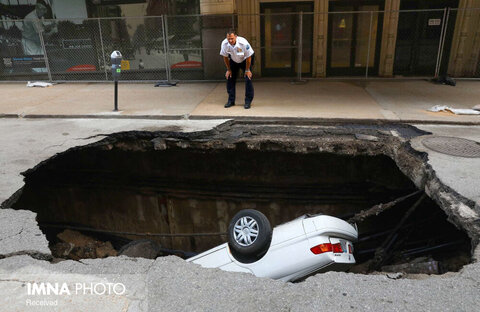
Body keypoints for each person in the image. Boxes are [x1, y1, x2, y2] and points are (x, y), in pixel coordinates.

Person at [220, 29, 255, 109]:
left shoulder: (243, 43)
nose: (230, 40)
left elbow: (249, 57)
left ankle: (248, 101)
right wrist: (228, 69)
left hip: (245, 60)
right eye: (228, 38)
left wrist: (247, 70)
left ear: (236, 37)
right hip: (233, 59)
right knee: (230, 78)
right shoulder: (224, 44)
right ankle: (231, 100)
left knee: (247, 78)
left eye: (232, 38)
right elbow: (225, 57)